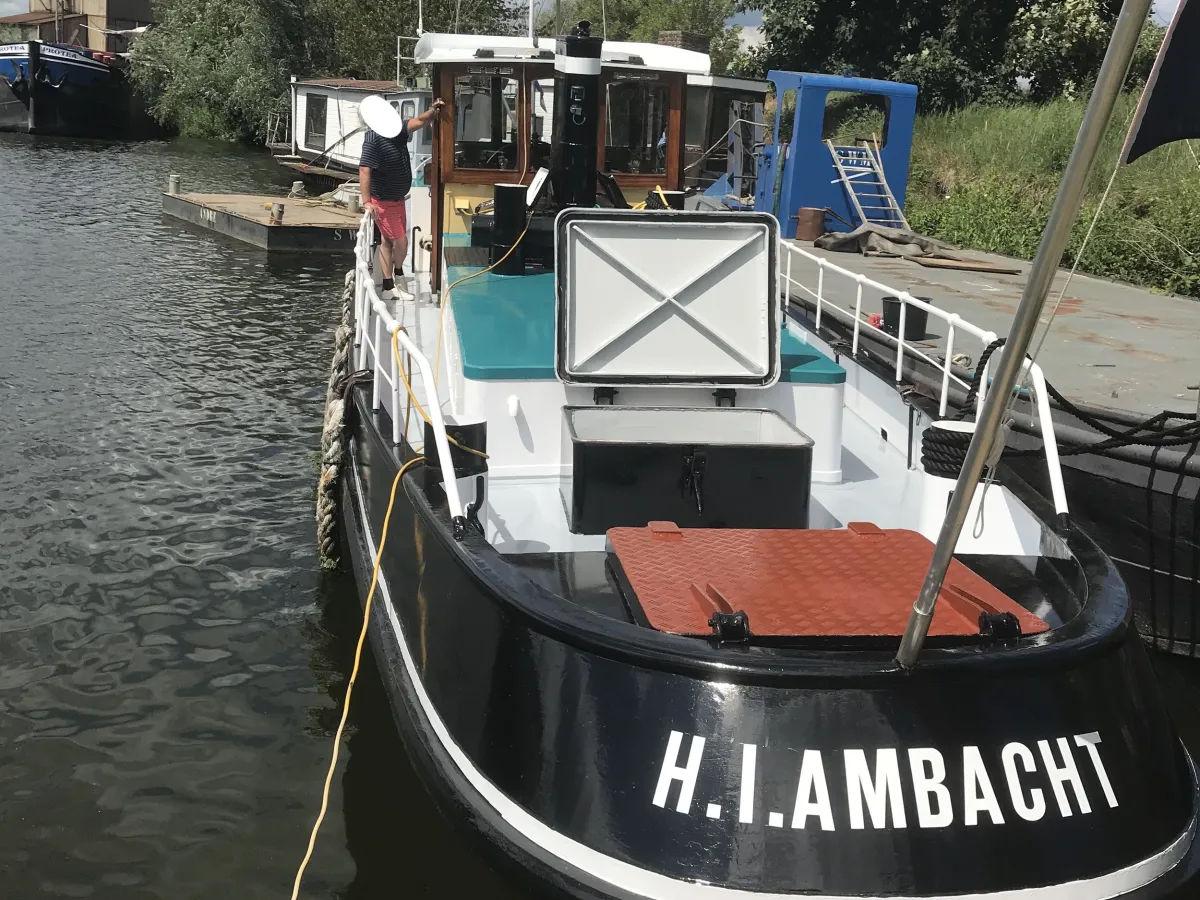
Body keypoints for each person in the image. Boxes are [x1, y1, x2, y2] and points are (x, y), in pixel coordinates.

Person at [359, 97, 445, 301]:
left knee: (388, 242)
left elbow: (419, 121)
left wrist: (433, 111)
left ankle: (389, 287)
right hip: (383, 201)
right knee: (402, 241)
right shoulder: (372, 139)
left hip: (397, 199)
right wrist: (366, 202)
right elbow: (364, 170)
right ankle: (398, 275)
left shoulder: (397, 131)